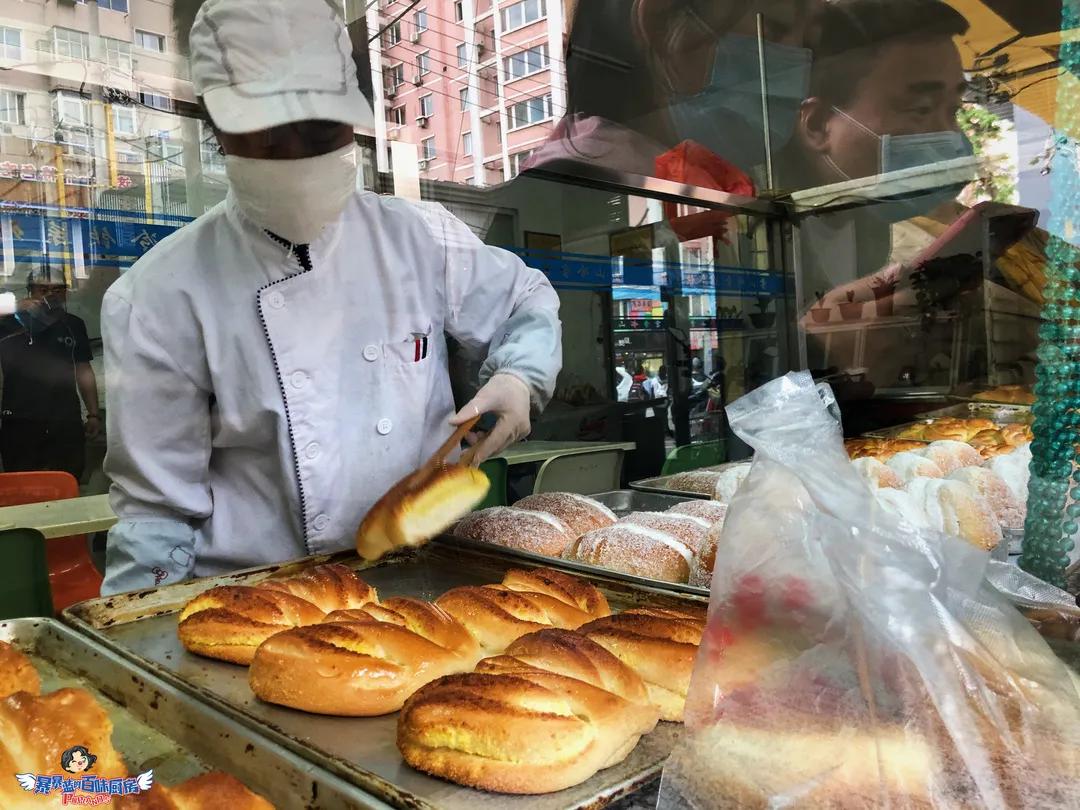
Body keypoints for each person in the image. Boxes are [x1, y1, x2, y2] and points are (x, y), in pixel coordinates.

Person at [100, 0, 562, 594]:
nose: (297, 157)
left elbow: (525, 298)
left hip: (422, 578)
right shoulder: (158, 295)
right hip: (256, 599)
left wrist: (521, 375)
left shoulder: (420, 236)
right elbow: (155, 515)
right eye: (267, 138)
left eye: (320, 132)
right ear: (217, 129)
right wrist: (141, 631)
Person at [775, 0, 973, 309]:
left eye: (953, 110)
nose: (949, 134)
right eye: (921, 109)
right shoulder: (753, 229)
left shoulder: (873, 227)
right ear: (817, 125)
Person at [0, 267, 100, 480]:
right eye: (42, 290)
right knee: (22, 483)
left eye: (57, 289)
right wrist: (13, 307)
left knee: (68, 478)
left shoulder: (73, 324)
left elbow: (83, 369)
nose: (50, 295)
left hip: (65, 418)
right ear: (30, 291)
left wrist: (93, 413)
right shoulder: (9, 323)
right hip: (20, 418)